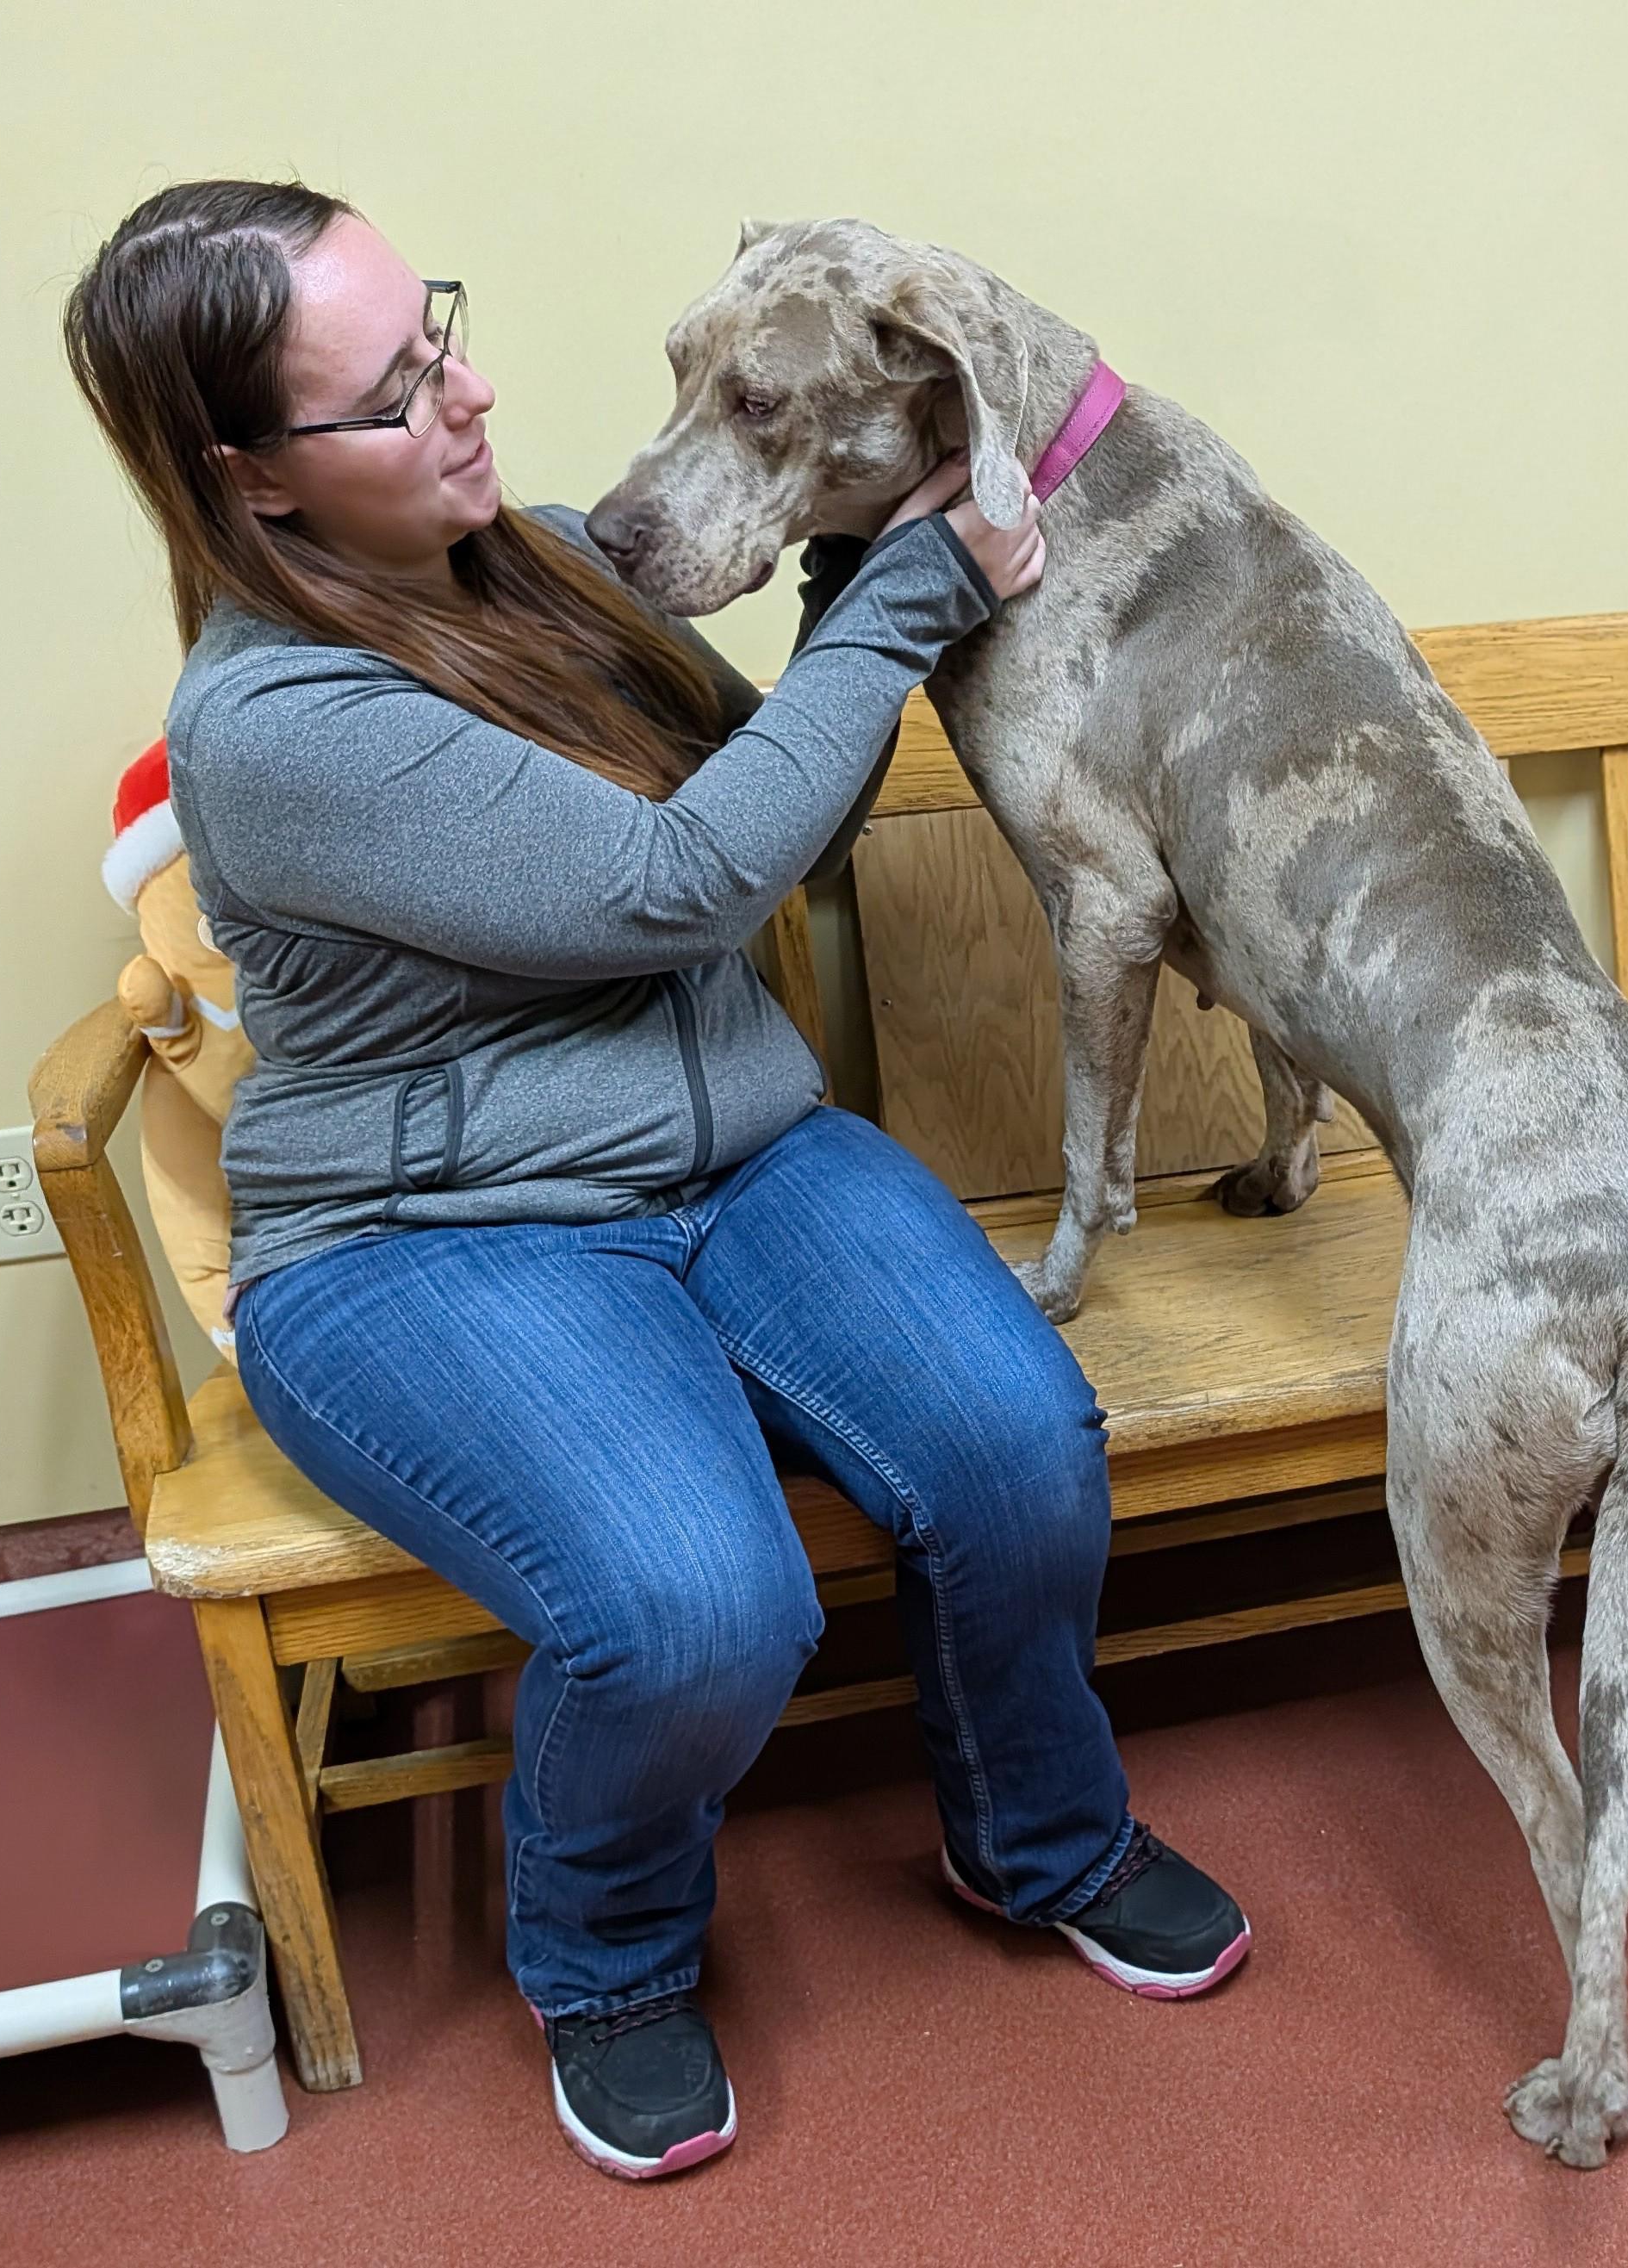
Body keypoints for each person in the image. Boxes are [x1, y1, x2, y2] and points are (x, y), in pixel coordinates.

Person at [64, 179, 1249, 2182]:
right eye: (390, 391)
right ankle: (602, 1965)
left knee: (1014, 1449)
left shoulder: (524, 567)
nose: (468, 393)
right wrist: (904, 594)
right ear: (246, 480)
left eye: (437, 335)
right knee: (696, 1605)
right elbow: (680, 880)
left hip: (738, 1155)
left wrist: (839, 561)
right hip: (430, 1245)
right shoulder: (271, 726)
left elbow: (770, 784)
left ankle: (1036, 1844)